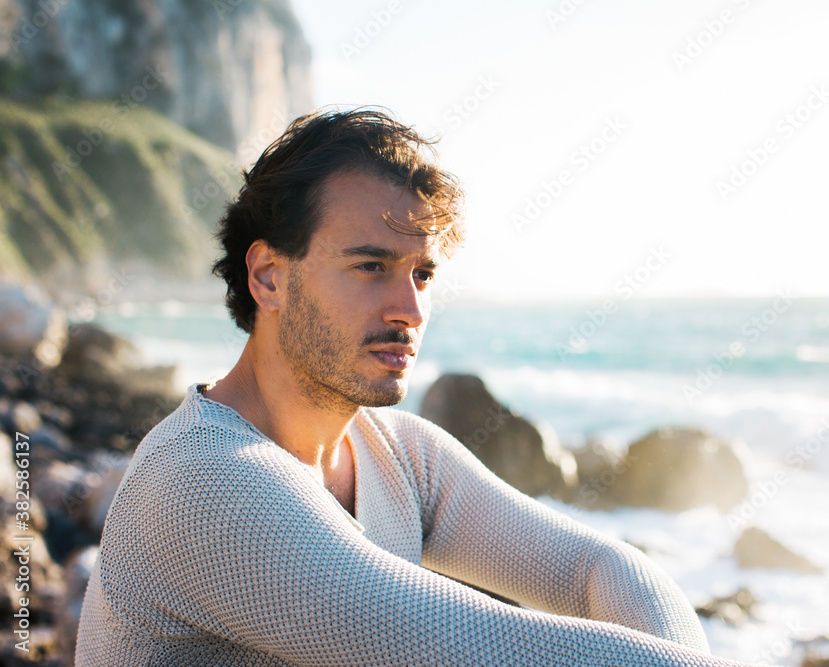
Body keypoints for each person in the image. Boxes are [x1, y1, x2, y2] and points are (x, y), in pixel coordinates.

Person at [75, 108, 758, 666]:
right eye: (371, 265)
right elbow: (481, 650)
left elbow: (597, 572)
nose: (411, 308)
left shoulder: (397, 454)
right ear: (269, 277)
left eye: (422, 273)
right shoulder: (205, 481)